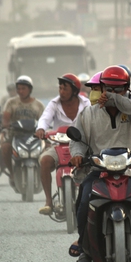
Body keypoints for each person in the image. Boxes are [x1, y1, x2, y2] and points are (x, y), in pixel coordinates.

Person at [69, 65, 131, 262]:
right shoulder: (87, 114)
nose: (112, 93)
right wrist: (77, 154)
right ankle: (85, 245)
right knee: (84, 201)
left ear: (127, 89)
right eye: (108, 89)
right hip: (98, 170)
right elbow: (77, 139)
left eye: (118, 89)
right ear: (101, 88)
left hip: (130, 169)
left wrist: (116, 100)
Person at [35, 73, 90, 215]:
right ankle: (48, 201)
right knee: (45, 161)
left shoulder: (85, 103)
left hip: (81, 144)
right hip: (58, 145)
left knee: (95, 163)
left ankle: (93, 199)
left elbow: (92, 119)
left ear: (74, 90)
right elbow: (45, 118)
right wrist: (41, 129)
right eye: (60, 88)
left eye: (65, 89)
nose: (61, 92)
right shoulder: (54, 103)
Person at [1, 75, 45, 185]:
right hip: (15, 134)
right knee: (5, 147)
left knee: (48, 148)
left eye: (23, 88)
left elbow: (43, 121)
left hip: (34, 135)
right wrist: (6, 125)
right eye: (18, 89)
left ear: (30, 89)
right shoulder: (11, 103)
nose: (21, 91)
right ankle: (11, 173)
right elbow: (5, 118)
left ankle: (44, 173)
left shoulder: (38, 105)